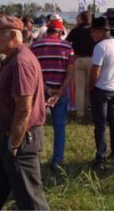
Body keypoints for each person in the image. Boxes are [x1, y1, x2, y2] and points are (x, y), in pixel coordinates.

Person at [0, 16, 48, 210]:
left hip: (20, 140)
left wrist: (14, 144)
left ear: (13, 35)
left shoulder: (20, 63)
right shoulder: (12, 59)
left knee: (31, 202)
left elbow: (23, 109)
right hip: (9, 139)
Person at [31, 19, 74, 171]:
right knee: (59, 127)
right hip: (59, 92)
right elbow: (70, 73)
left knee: (35, 125)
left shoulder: (35, 46)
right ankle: (57, 161)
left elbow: (33, 73)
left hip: (39, 91)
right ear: (61, 32)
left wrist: (47, 89)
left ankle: (32, 159)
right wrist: (60, 90)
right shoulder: (67, 47)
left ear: (47, 30)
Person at [88, 17, 114, 166]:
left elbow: (95, 71)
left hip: (101, 90)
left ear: (100, 32)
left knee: (100, 124)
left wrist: (90, 87)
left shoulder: (100, 47)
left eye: (93, 32)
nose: (91, 35)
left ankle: (101, 156)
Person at [65, 11, 95, 121]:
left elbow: (66, 43)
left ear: (80, 19)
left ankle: (80, 114)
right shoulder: (94, 30)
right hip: (93, 60)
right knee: (91, 86)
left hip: (78, 60)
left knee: (79, 88)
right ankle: (90, 108)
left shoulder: (75, 30)